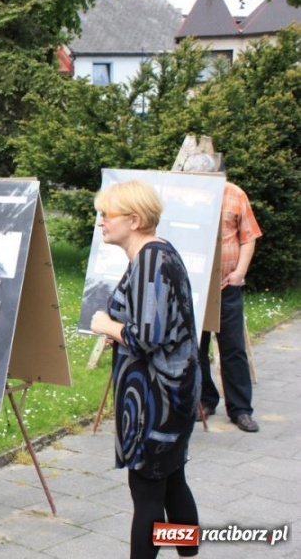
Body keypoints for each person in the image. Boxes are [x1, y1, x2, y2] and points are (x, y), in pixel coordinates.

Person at [89, 180, 199, 559]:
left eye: (107, 215)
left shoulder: (151, 260)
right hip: (173, 391)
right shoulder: (156, 253)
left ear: (134, 220)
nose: (100, 222)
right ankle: (188, 552)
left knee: (148, 493)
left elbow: (147, 337)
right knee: (171, 483)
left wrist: (106, 325)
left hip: (158, 399)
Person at [181, 155, 262, 433]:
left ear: (217, 176)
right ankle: (205, 400)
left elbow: (249, 236)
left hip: (227, 286)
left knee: (232, 348)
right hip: (194, 285)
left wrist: (240, 271)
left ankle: (240, 410)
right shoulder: (184, 197)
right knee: (196, 347)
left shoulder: (235, 194)